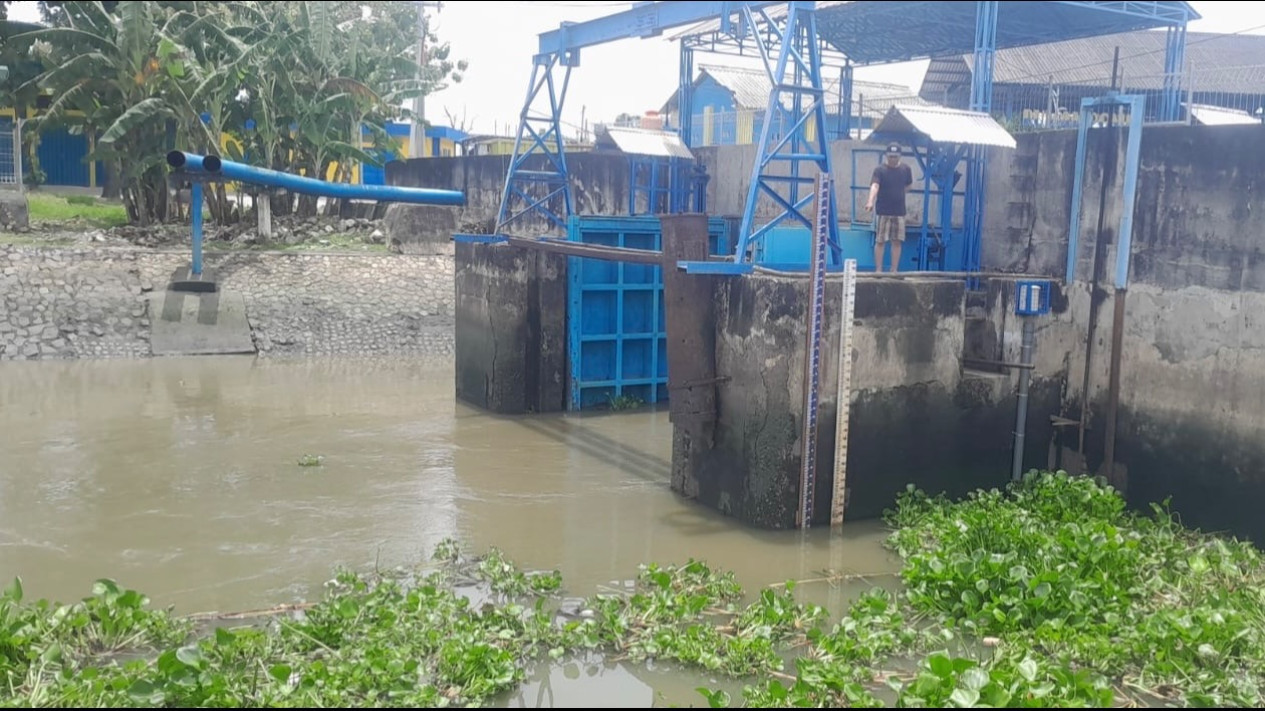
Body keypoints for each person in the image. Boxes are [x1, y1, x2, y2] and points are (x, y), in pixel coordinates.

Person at [865, 142, 913, 273]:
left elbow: (908, 185)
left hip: (899, 212)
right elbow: (875, 185)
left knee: (897, 241)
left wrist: (898, 193)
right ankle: (879, 269)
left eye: (895, 157)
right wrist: (870, 201)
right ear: (886, 156)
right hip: (883, 211)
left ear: (900, 156)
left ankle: (894, 270)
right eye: (891, 156)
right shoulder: (880, 170)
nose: (893, 159)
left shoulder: (906, 169)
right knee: (880, 240)